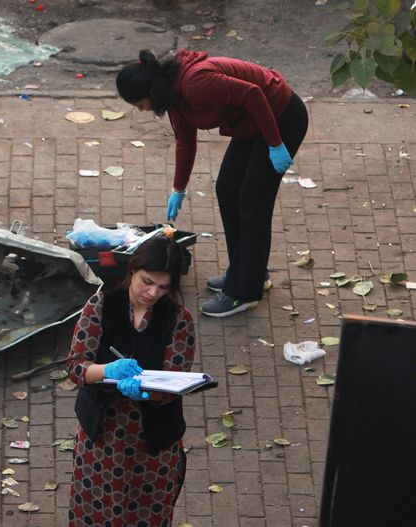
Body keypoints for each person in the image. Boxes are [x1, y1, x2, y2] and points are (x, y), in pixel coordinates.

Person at [116, 48, 309, 317]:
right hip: (251, 122)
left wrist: (275, 144)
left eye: (139, 103)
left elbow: (253, 93)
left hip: (280, 116)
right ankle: (248, 272)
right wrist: (178, 189)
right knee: (227, 189)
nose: (140, 109)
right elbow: (185, 141)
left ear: (152, 90)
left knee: (253, 202)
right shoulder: (173, 97)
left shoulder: (195, 84)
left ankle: (244, 292)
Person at [67, 235, 195, 527]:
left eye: (163, 287)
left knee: (147, 516)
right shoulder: (101, 305)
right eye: (146, 281)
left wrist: (148, 393)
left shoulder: (179, 320)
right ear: (133, 271)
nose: (152, 292)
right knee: (94, 515)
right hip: (101, 441)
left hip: (153, 447)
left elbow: (173, 384)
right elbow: (76, 367)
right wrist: (107, 370)